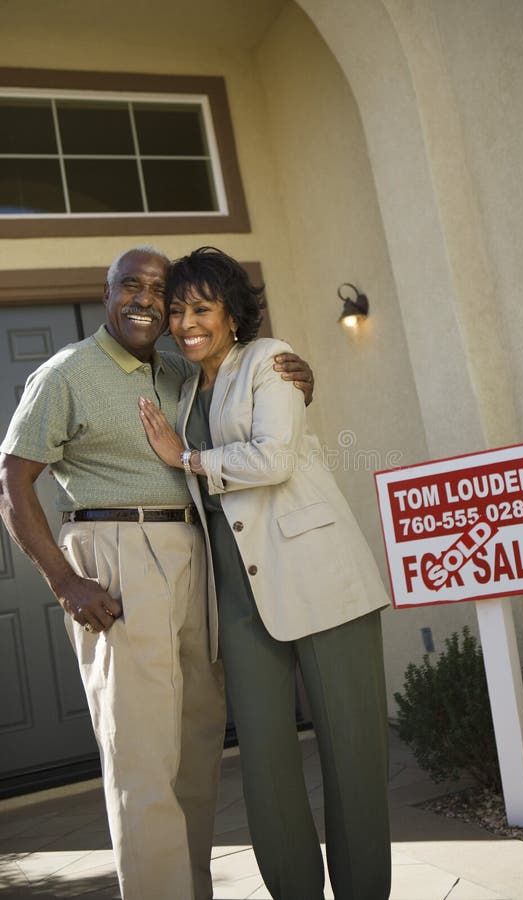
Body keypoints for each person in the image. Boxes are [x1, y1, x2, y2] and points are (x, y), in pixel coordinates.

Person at [0, 245, 314, 900]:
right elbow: (14, 482)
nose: (145, 298)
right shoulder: (66, 373)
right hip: (115, 556)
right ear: (107, 291)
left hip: (192, 554)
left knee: (195, 752)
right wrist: (65, 582)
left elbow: (250, 408)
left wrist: (299, 375)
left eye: (159, 289)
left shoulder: (178, 370)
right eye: (131, 285)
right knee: (142, 760)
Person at [138, 246, 392, 900]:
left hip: (322, 578)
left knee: (352, 756)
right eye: (176, 311)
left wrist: (187, 457)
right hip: (238, 594)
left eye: (202, 308)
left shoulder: (271, 360)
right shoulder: (183, 377)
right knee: (266, 765)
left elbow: (274, 459)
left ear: (232, 314)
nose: (186, 322)